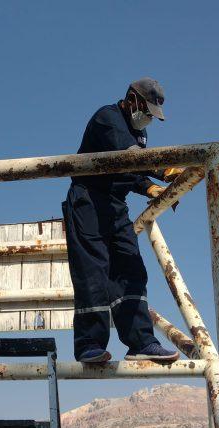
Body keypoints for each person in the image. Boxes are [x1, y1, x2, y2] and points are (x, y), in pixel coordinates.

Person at [62, 77, 183, 364]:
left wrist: (148, 188)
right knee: (94, 271)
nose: (148, 120)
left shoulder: (137, 134)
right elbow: (131, 158)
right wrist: (166, 170)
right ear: (132, 100)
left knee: (131, 271)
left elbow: (130, 172)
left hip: (116, 206)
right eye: (148, 112)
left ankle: (141, 341)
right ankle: (89, 345)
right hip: (88, 202)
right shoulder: (108, 118)